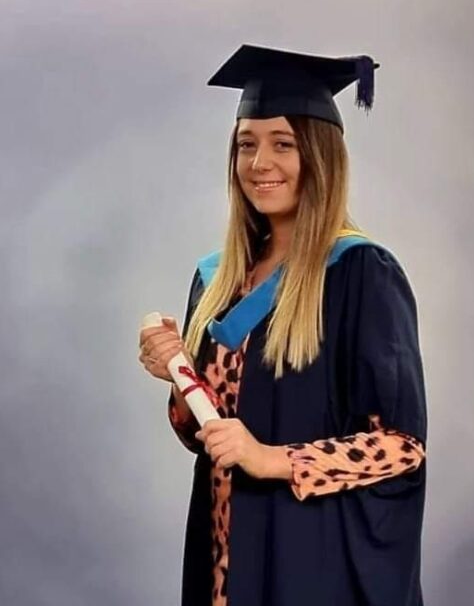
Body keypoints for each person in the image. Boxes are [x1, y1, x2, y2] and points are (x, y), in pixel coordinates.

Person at [138, 44, 428, 606]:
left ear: (320, 156)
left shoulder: (360, 273)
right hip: (226, 554)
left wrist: (273, 459)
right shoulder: (217, 279)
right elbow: (206, 436)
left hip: (310, 557)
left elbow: (401, 446)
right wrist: (178, 376)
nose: (259, 163)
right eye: (246, 144)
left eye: (283, 144)